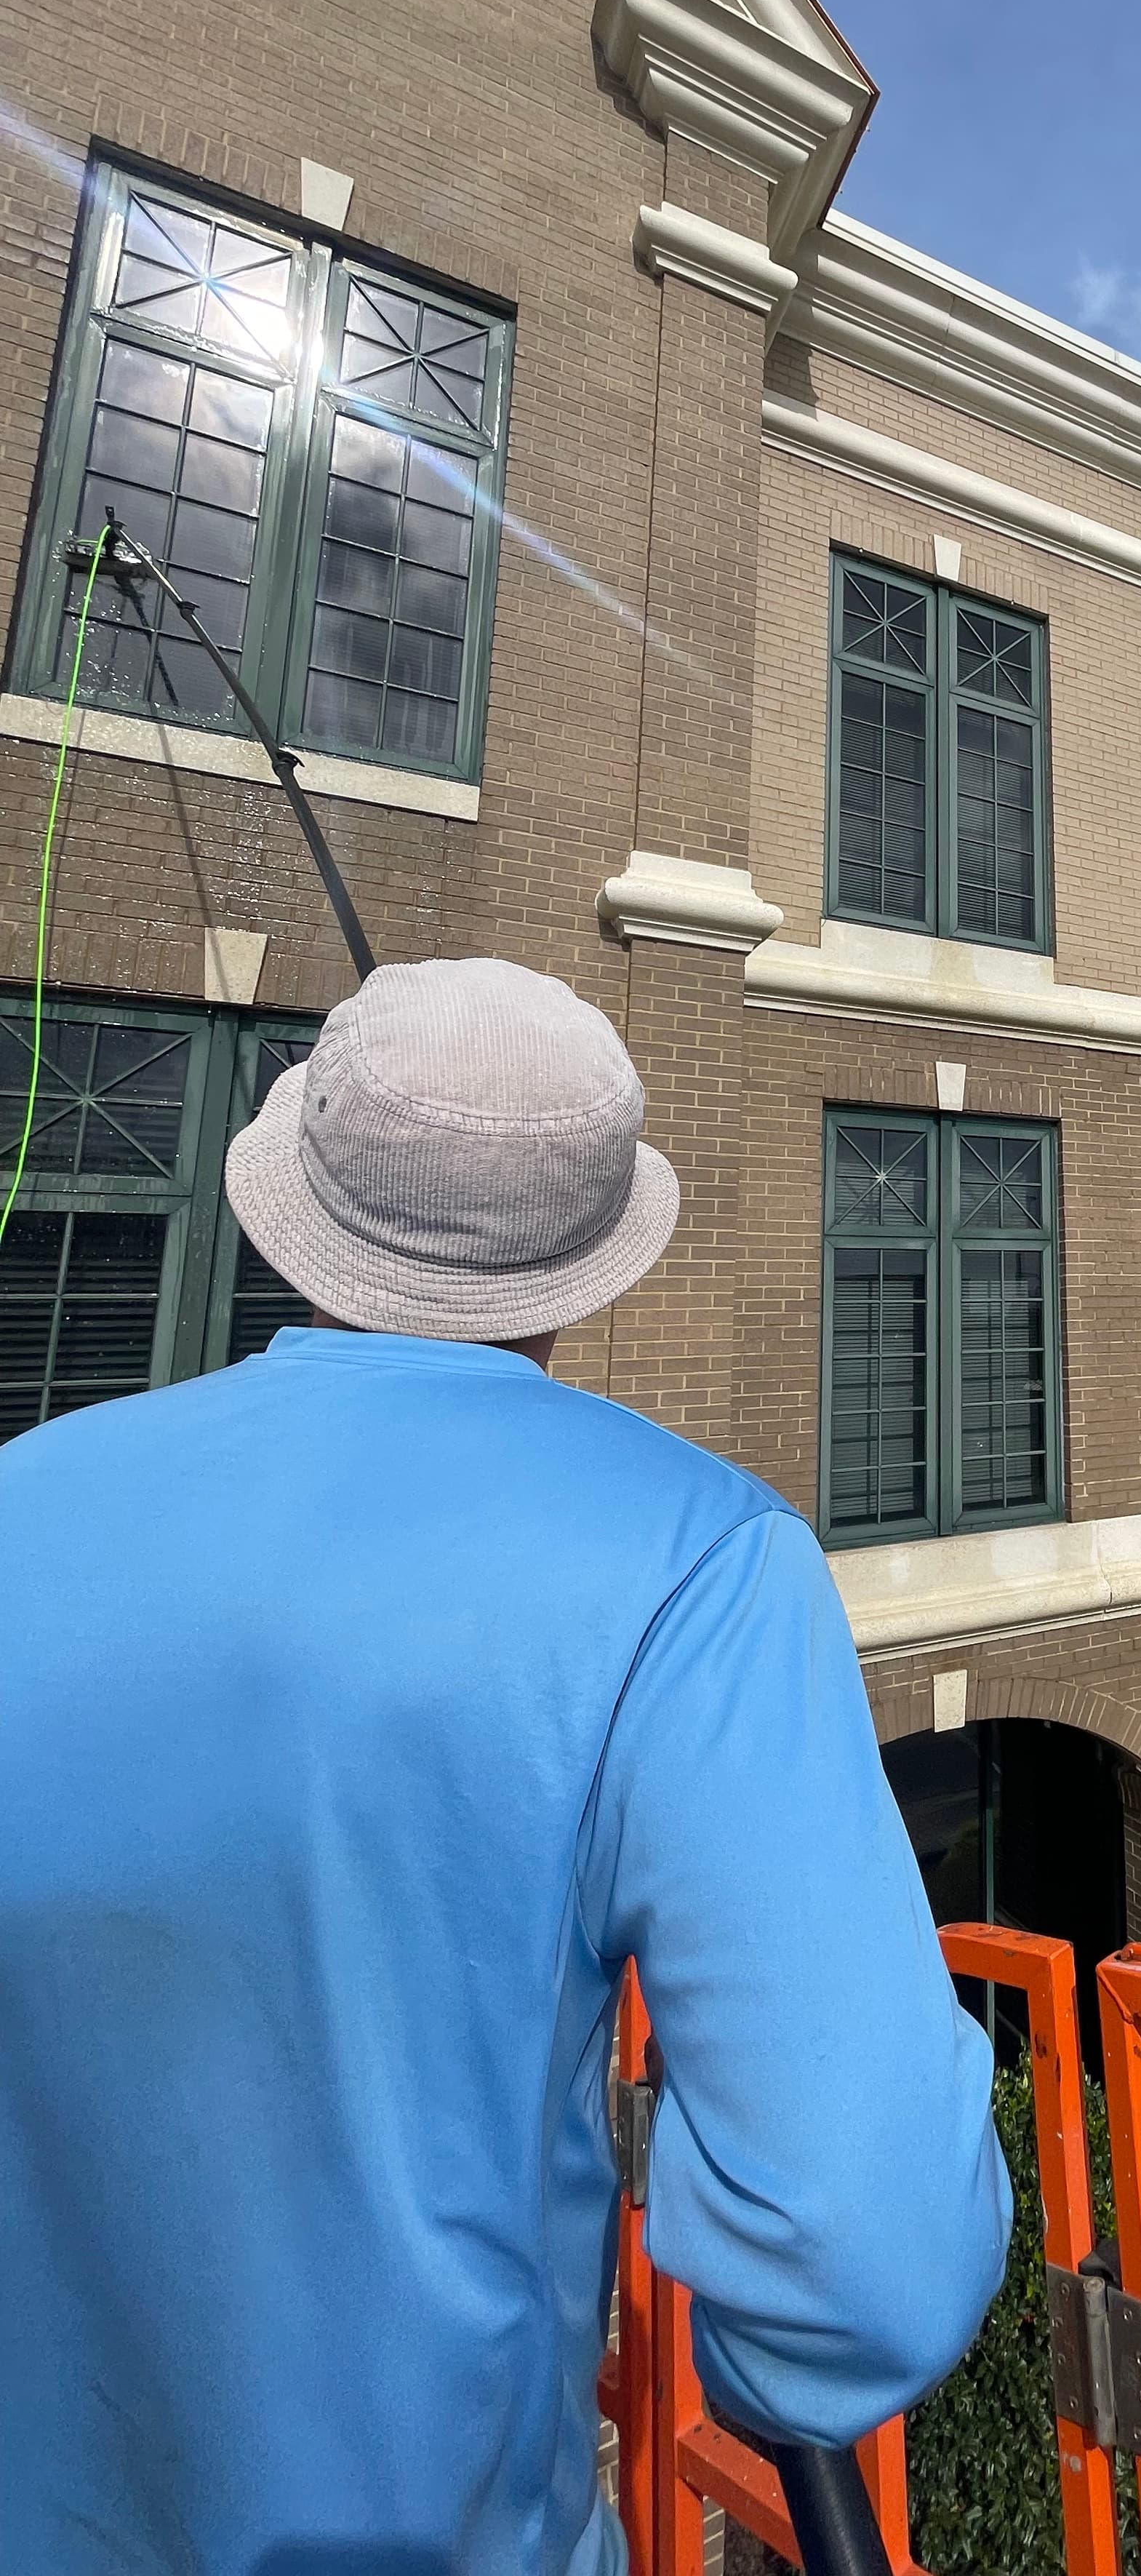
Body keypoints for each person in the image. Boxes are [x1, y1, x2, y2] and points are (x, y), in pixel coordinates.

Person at [0, 957, 1011, 2574]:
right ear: (588, 1265)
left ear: (294, 1207)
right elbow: (863, 2255)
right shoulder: (701, 1570)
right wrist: (762, 2376)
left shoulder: (21, 1504)